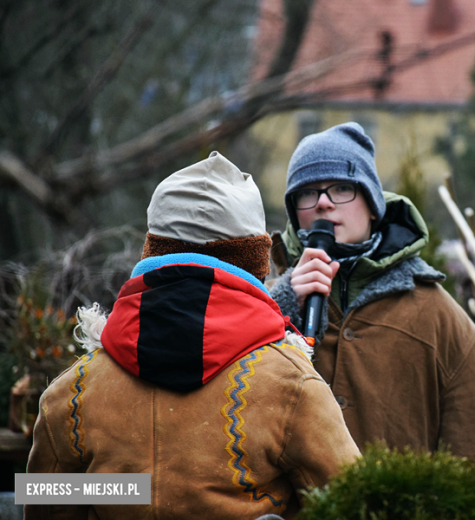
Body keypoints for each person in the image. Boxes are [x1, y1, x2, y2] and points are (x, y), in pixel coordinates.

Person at [25, 152, 360, 520]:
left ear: (151, 250)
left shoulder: (71, 393)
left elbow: (47, 508)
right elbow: (356, 504)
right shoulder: (292, 385)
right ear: (256, 261)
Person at [269, 122, 475, 460]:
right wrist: (285, 304)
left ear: (373, 204)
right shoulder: (266, 302)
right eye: (307, 192)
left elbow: (474, 469)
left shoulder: (440, 318)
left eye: (342, 188)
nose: (322, 203)